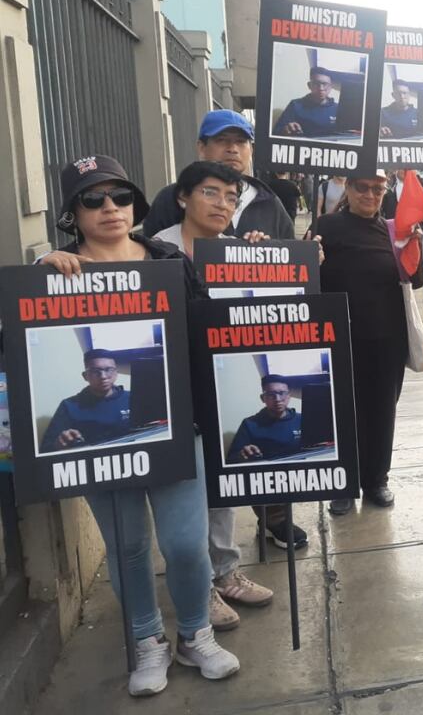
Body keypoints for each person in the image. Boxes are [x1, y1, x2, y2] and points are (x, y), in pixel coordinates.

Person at [38, 155, 238, 696]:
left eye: (121, 197)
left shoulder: (169, 260)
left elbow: (206, 335)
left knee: (187, 544)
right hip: (103, 454)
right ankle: (148, 642)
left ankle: (196, 634)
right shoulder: (52, 275)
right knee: (127, 547)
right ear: (71, 214)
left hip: (176, 430)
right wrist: (40, 279)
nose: (110, 208)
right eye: (93, 199)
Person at [151, 159, 274, 630]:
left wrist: (263, 260)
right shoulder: (151, 249)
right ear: (183, 196)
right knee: (188, 496)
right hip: (170, 391)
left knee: (223, 483)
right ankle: (199, 588)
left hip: (220, 385)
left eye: (230, 197)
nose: (222, 204)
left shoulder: (234, 251)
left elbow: (259, 314)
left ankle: (226, 573)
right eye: (211, 193)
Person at [313, 171, 409, 514]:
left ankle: (377, 479)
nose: (370, 194)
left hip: (387, 338)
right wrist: (311, 258)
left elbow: (417, 280)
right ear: (348, 189)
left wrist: (415, 248)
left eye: (377, 188)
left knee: (382, 410)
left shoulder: (394, 230)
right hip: (339, 337)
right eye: (363, 187)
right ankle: (343, 483)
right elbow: (307, 280)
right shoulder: (326, 226)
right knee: (343, 411)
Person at [142, 110, 295, 241]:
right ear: (202, 147)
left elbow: (289, 261)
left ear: (251, 150)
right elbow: (153, 263)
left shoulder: (269, 202)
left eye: (241, 141)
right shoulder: (170, 198)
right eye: (222, 140)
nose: (233, 149)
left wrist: (308, 256)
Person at [40, 349, 132, 452]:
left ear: (116, 373)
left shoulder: (132, 397)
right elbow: (46, 448)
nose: (103, 376)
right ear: (85, 376)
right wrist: (59, 444)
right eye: (95, 371)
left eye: (108, 369)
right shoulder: (69, 406)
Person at [227, 376, 304, 463]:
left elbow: (316, 447)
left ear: (289, 396)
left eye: (282, 393)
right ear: (263, 398)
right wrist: (242, 455)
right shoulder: (249, 424)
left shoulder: (302, 419)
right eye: (271, 394)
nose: (278, 399)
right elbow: (231, 459)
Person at [273, 66, 340, 137]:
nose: (321, 88)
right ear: (309, 85)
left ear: (331, 86)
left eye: (325, 84)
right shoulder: (295, 105)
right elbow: (276, 132)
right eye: (316, 84)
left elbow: (344, 133)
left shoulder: (338, 108)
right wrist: (285, 129)